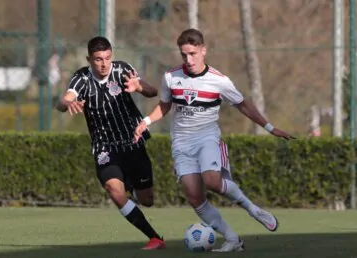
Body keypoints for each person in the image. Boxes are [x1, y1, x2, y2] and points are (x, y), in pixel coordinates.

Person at [133, 29, 295, 252]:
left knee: (212, 180)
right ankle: (232, 239)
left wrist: (270, 127)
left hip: (207, 139)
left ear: (203, 51)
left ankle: (252, 208)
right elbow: (164, 105)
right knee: (194, 197)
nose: (188, 59)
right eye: (184, 55)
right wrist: (146, 121)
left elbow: (243, 105)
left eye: (192, 53)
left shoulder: (219, 81)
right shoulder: (171, 77)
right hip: (181, 144)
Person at [56, 36, 166, 250]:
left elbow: (153, 92)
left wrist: (138, 87)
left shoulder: (122, 70)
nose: (104, 63)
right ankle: (155, 237)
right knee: (113, 189)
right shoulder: (82, 78)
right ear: (89, 59)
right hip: (105, 146)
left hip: (132, 142)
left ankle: (133, 185)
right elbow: (63, 101)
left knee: (147, 199)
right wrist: (68, 102)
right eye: (98, 59)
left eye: (107, 58)